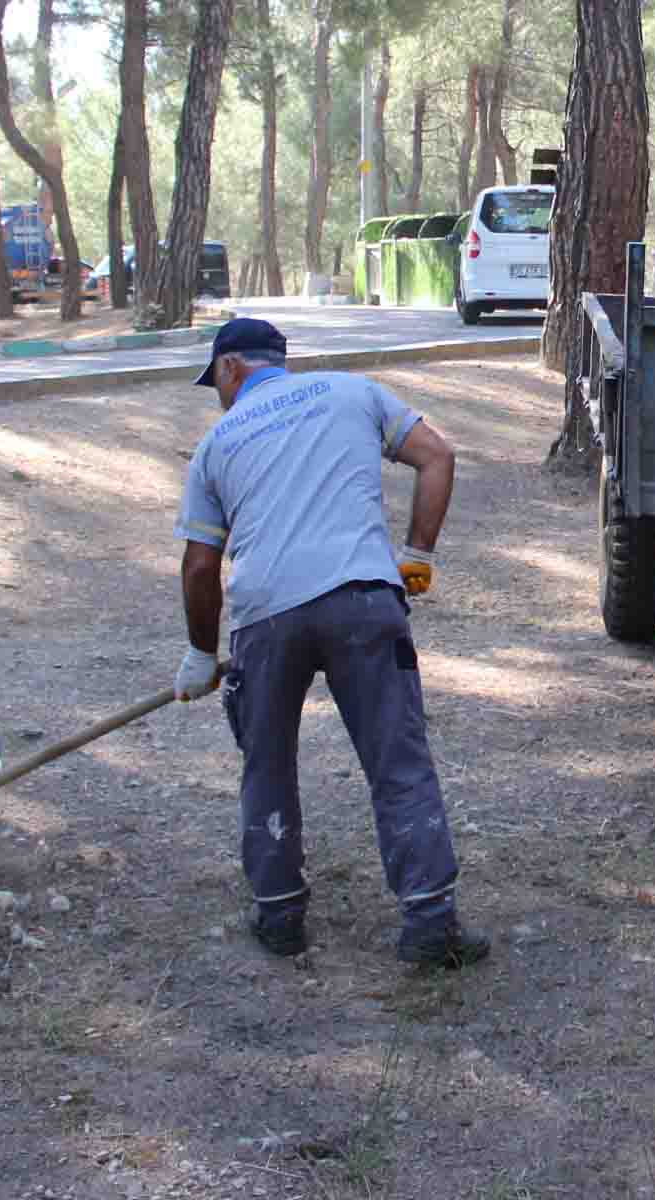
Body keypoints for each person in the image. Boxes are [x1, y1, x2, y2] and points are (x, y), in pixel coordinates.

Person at [172, 316, 484, 967]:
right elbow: (438, 455)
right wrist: (416, 554)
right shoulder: (353, 392)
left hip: (266, 618)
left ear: (230, 369)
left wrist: (202, 654)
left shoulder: (215, 444)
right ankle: (430, 922)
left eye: (217, 381)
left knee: (268, 765)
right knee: (398, 761)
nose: (219, 393)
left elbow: (201, 566)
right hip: (363, 600)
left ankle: (280, 914)